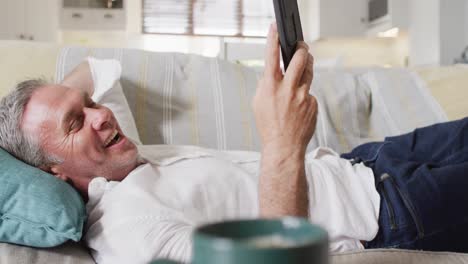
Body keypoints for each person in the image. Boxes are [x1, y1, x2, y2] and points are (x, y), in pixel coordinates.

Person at [0, 24, 467, 263]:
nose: (102, 115)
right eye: (76, 120)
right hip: (387, 213)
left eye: (90, 104)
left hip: (368, 161)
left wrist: (61, 110)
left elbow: (93, 68)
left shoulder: (118, 156)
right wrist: (283, 140)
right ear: (52, 172)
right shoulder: (128, 230)